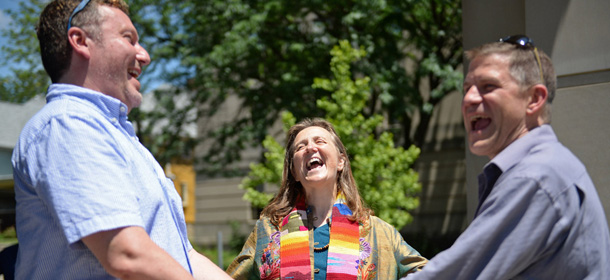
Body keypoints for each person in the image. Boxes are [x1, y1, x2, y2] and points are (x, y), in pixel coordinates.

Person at [11, 0, 232, 279]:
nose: (145, 55)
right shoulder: (68, 124)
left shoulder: (121, 139)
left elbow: (184, 256)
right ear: (80, 41)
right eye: (129, 39)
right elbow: (127, 255)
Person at [402, 35, 610, 279]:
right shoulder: (543, 168)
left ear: (534, 99)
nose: (468, 99)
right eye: (466, 88)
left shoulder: (535, 177)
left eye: (488, 86)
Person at [227, 118, 427, 280]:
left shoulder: (378, 232)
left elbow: (431, 274)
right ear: (294, 172)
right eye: (300, 147)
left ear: (341, 161)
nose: (310, 148)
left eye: (320, 141)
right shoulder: (268, 229)